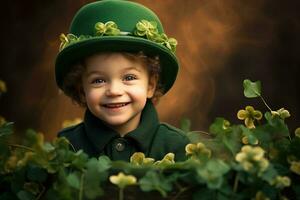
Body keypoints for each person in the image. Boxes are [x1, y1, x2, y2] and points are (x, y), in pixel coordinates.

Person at [55, 0, 190, 162]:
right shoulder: (68, 145)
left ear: (151, 85)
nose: (114, 91)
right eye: (98, 80)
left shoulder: (174, 145)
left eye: (129, 77)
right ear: (81, 90)